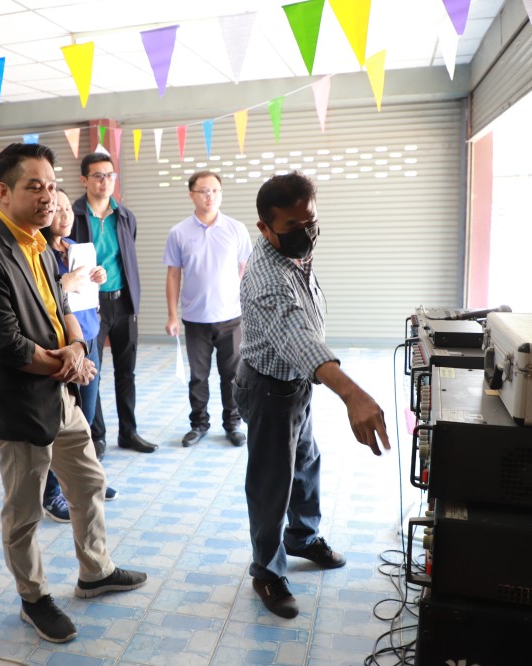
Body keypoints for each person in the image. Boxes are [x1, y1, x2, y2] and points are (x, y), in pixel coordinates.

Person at [0, 142, 146, 644]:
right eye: (34, 186)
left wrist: (78, 347)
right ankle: (34, 598)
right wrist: (68, 365)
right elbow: (5, 342)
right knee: (24, 513)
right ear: (3, 192)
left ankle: (95, 572)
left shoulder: (41, 245)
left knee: (87, 482)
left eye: (52, 185)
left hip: (60, 396)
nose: (48, 196)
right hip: (17, 404)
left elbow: (64, 305)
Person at [233, 172, 390, 620]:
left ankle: (301, 537)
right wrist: (352, 394)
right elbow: (297, 337)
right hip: (269, 388)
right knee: (272, 482)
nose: (307, 233)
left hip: (295, 384)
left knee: (305, 462)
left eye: (311, 222)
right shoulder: (267, 279)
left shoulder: (292, 250)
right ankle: (266, 570)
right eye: (294, 227)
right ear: (265, 228)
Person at [70, 152, 157, 454]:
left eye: (110, 175)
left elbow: (127, 259)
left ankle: (128, 433)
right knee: (92, 373)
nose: (105, 181)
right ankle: (97, 436)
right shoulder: (74, 216)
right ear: (84, 180)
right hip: (89, 307)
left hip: (123, 303)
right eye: (98, 175)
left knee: (126, 372)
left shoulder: (125, 216)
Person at [41, 187, 117, 522]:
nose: (64, 215)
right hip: (60, 345)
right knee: (59, 422)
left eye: (67, 209)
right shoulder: (39, 253)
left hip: (89, 336)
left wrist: (97, 277)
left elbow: (86, 293)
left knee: (85, 419)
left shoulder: (76, 248)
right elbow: (40, 298)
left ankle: (87, 480)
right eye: (57, 209)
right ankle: (51, 493)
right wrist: (64, 283)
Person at [164, 170, 252, 448]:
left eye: (215, 190)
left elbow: (245, 268)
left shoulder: (236, 229)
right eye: (203, 191)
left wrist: (235, 296)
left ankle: (233, 424)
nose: (210, 196)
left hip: (231, 318)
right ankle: (199, 424)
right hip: (195, 319)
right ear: (191, 195)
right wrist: (172, 314)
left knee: (233, 376)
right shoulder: (179, 232)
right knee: (198, 377)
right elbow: (173, 275)